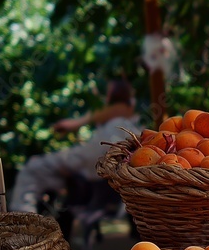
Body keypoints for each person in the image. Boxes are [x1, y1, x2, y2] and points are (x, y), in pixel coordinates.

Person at [10, 78, 142, 213]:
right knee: (49, 177)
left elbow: (114, 110)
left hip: (95, 166)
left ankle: (22, 221)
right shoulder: (134, 123)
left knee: (33, 167)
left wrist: (76, 123)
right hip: (102, 176)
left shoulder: (118, 119)